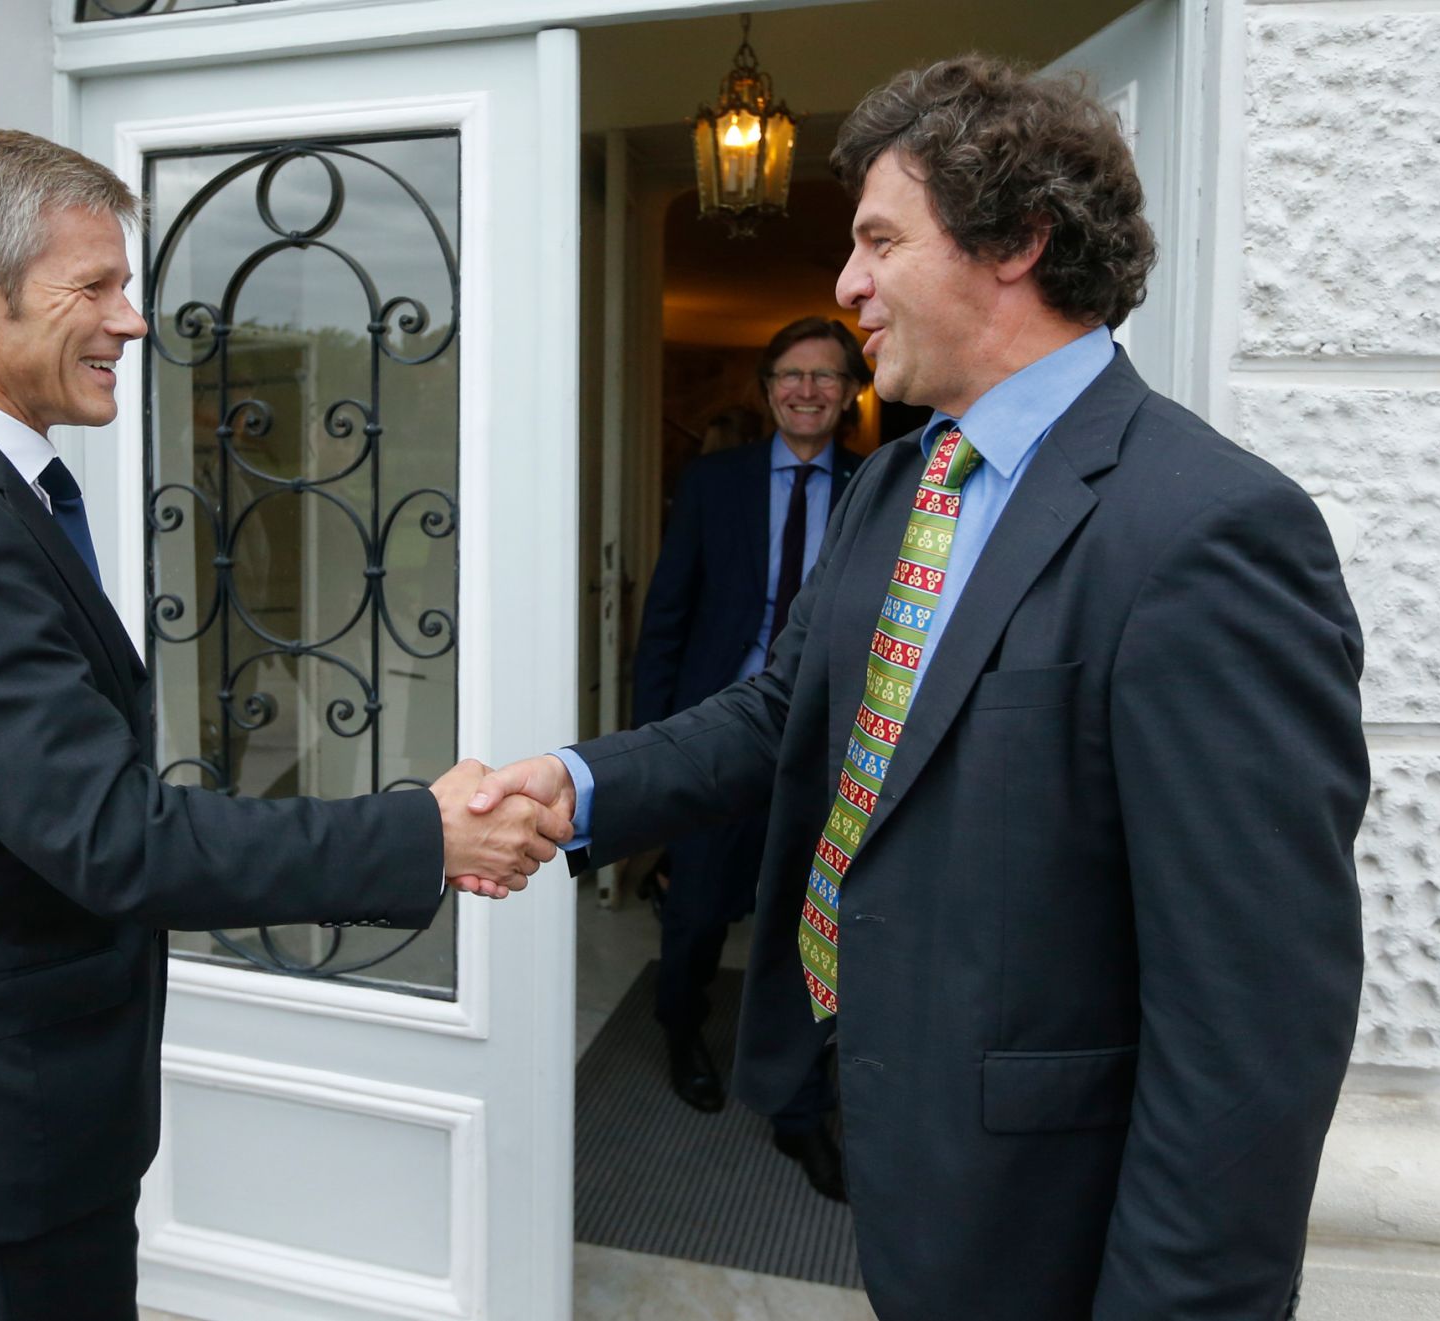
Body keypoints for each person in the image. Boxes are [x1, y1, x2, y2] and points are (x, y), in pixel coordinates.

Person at [465, 56, 1367, 1319]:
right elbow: (782, 710)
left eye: (879, 240)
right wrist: (576, 784)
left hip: (1055, 1208)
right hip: (891, 1138)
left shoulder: (1207, 528)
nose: (845, 285)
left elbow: (1250, 1018)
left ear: (1016, 241)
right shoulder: (896, 483)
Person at [0, 128, 568, 1321]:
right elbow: (117, 838)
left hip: (4, 1096)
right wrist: (421, 833)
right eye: (94, 285)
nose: (132, 319)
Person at [631, 319, 866, 1202]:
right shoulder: (714, 482)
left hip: (828, 749)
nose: (807, 391)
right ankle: (681, 1026)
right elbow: (668, 615)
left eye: (826, 377)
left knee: (813, 929)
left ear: (850, 393)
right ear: (767, 388)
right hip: (720, 734)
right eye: (791, 375)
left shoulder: (878, 486)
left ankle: (801, 1111)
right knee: (695, 909)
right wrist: (653, 750)